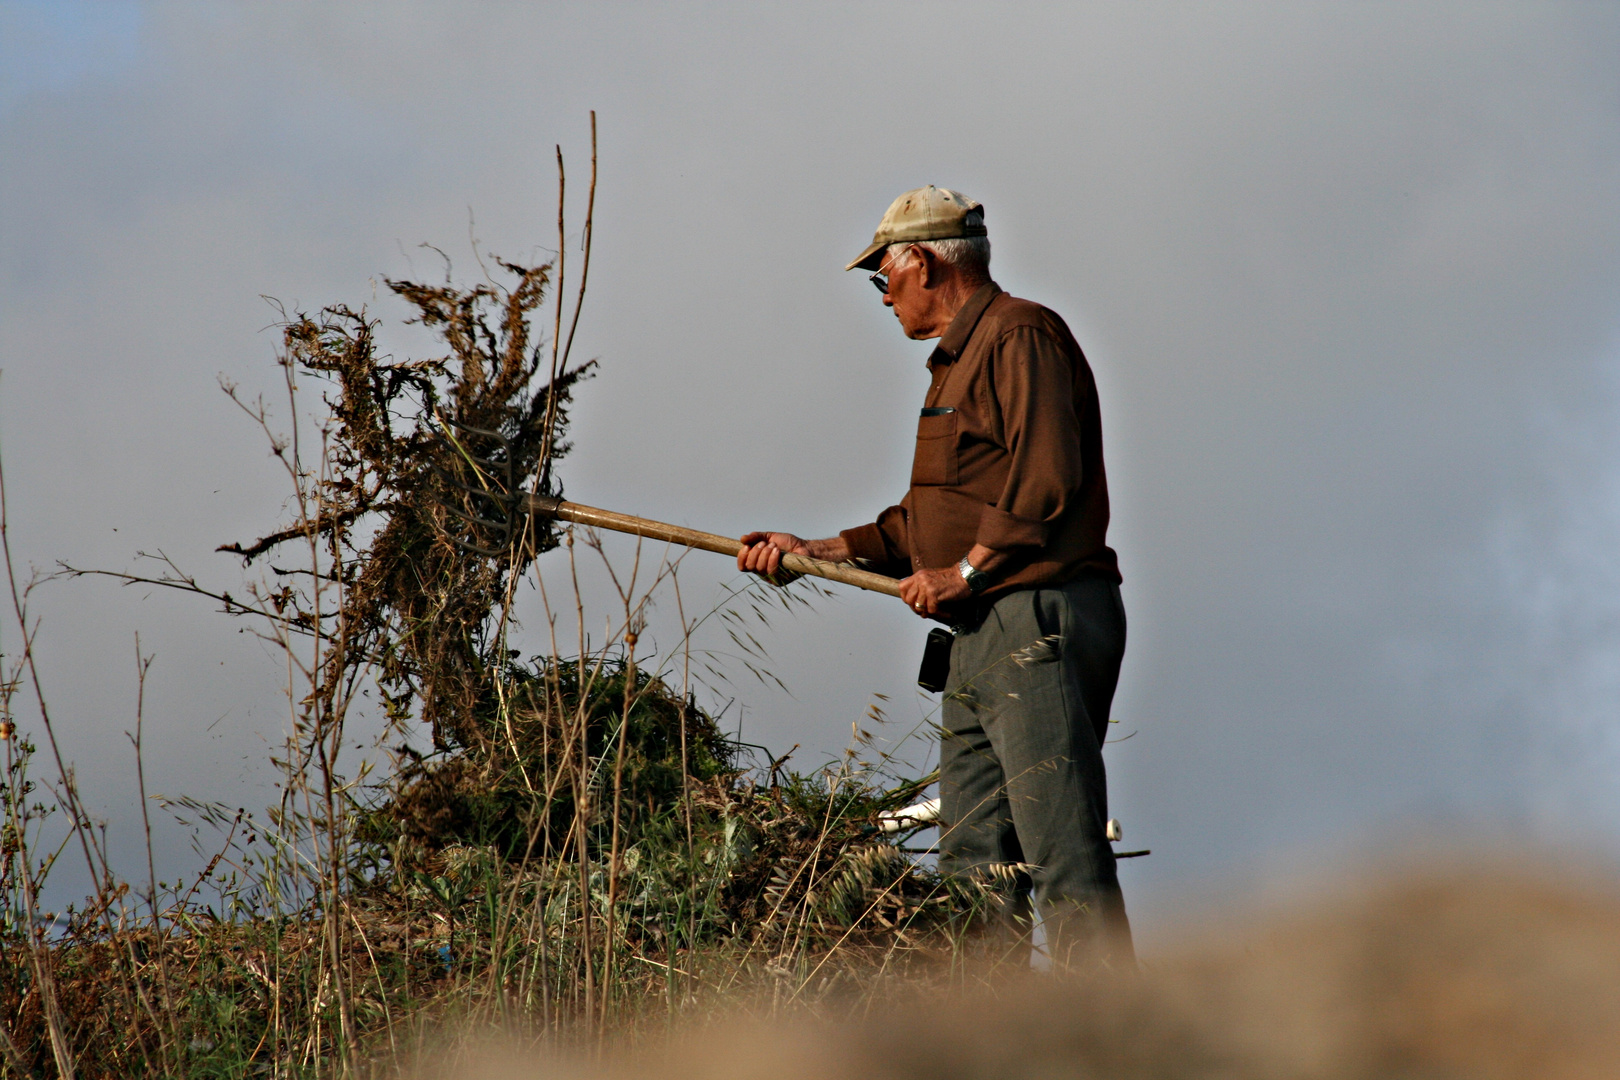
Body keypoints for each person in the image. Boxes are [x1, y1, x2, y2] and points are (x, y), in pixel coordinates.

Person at [738, 185, 1132, 968]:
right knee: (974, 871)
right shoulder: (953, 366)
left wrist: (967, 570)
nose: (882, 294)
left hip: (1034, 618)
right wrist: (811, 550)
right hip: (981, 631)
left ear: (918, 261)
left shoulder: (1020, 335)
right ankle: (987, 1040)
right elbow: (922, 522)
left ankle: (1120, 1034)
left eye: (881, 274)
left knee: (1060, 851)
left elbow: (1045, 476)